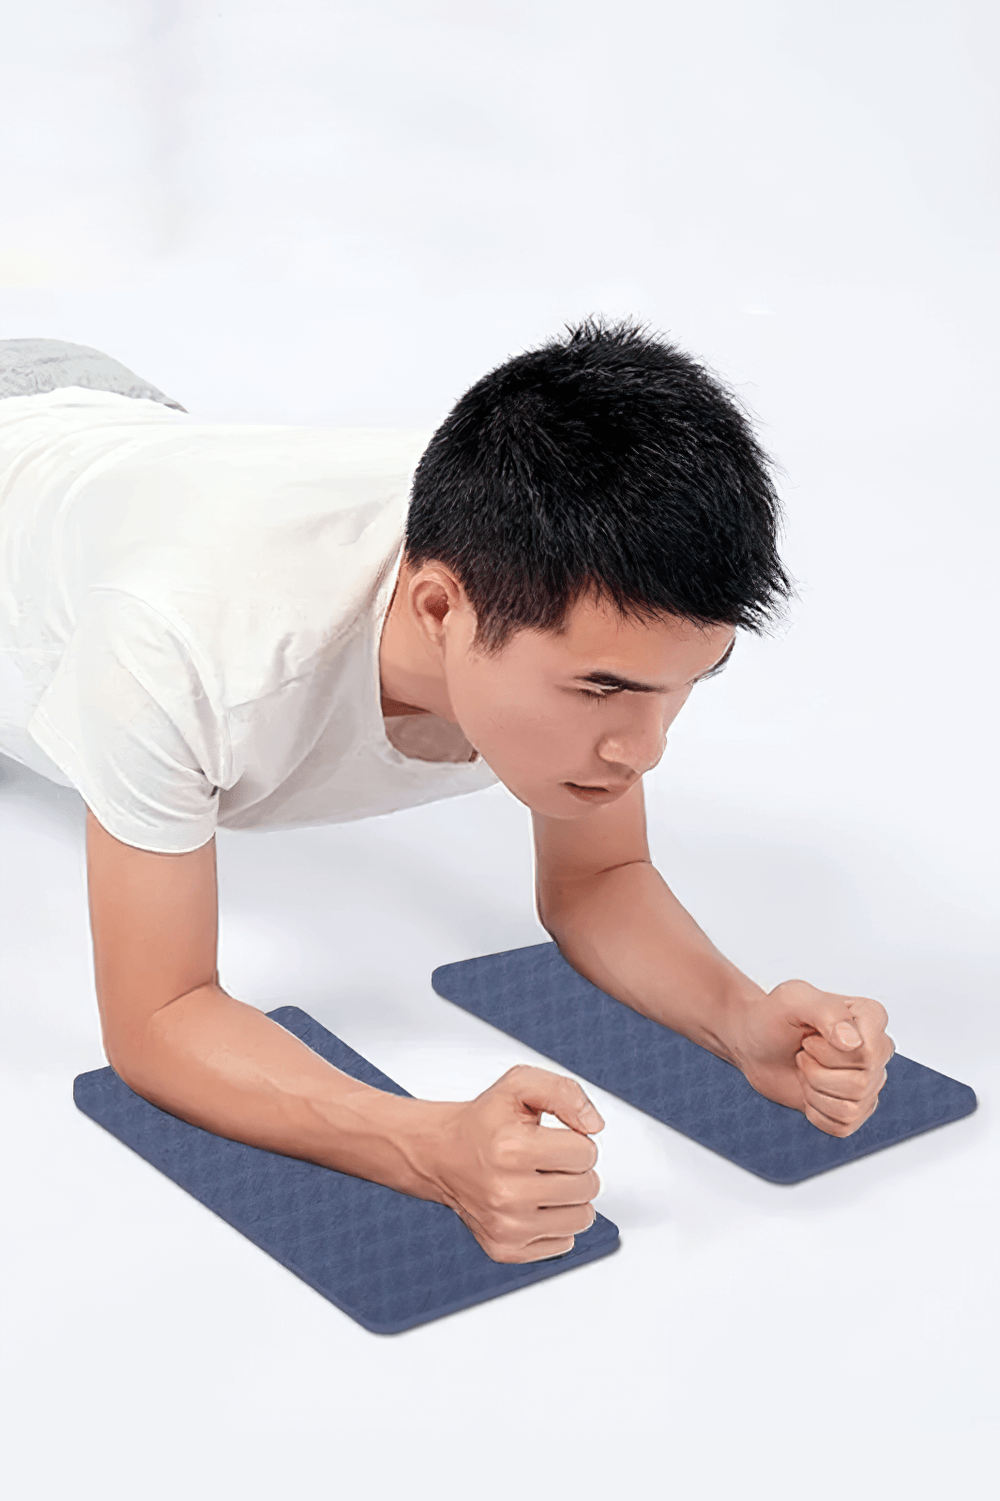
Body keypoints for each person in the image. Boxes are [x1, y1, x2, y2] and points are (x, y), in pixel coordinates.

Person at [0, 325, 894, 1264]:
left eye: (686, 685)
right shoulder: (181, 652)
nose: (645, 748)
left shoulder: (536, 552)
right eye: (602, 689)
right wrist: (427, 1148)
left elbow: (600, 880)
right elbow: (160, 1015)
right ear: (439, 610)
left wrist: (740, 1018)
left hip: (115, 431)